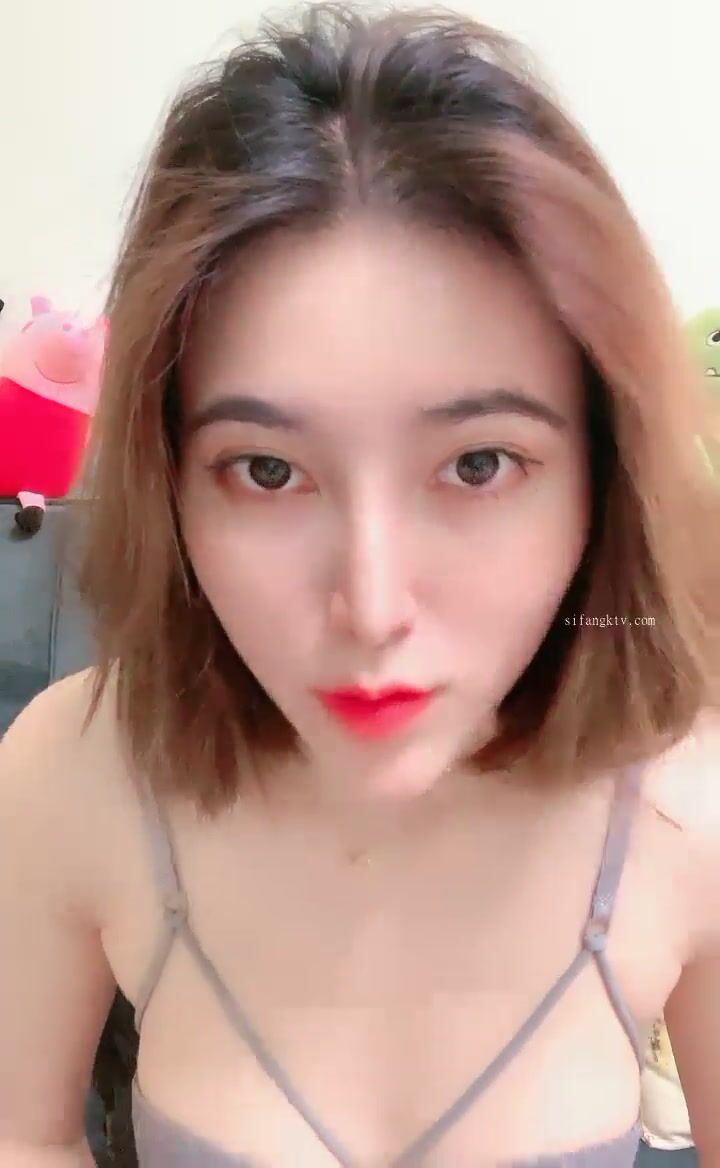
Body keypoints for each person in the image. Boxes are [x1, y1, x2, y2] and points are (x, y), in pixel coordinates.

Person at [1, 4, 719, 1167]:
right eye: (267, 470)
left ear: (602, 473)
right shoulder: (70, 775)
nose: (373, 607)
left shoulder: (694, 807)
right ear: (167, 477)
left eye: (478, 464)